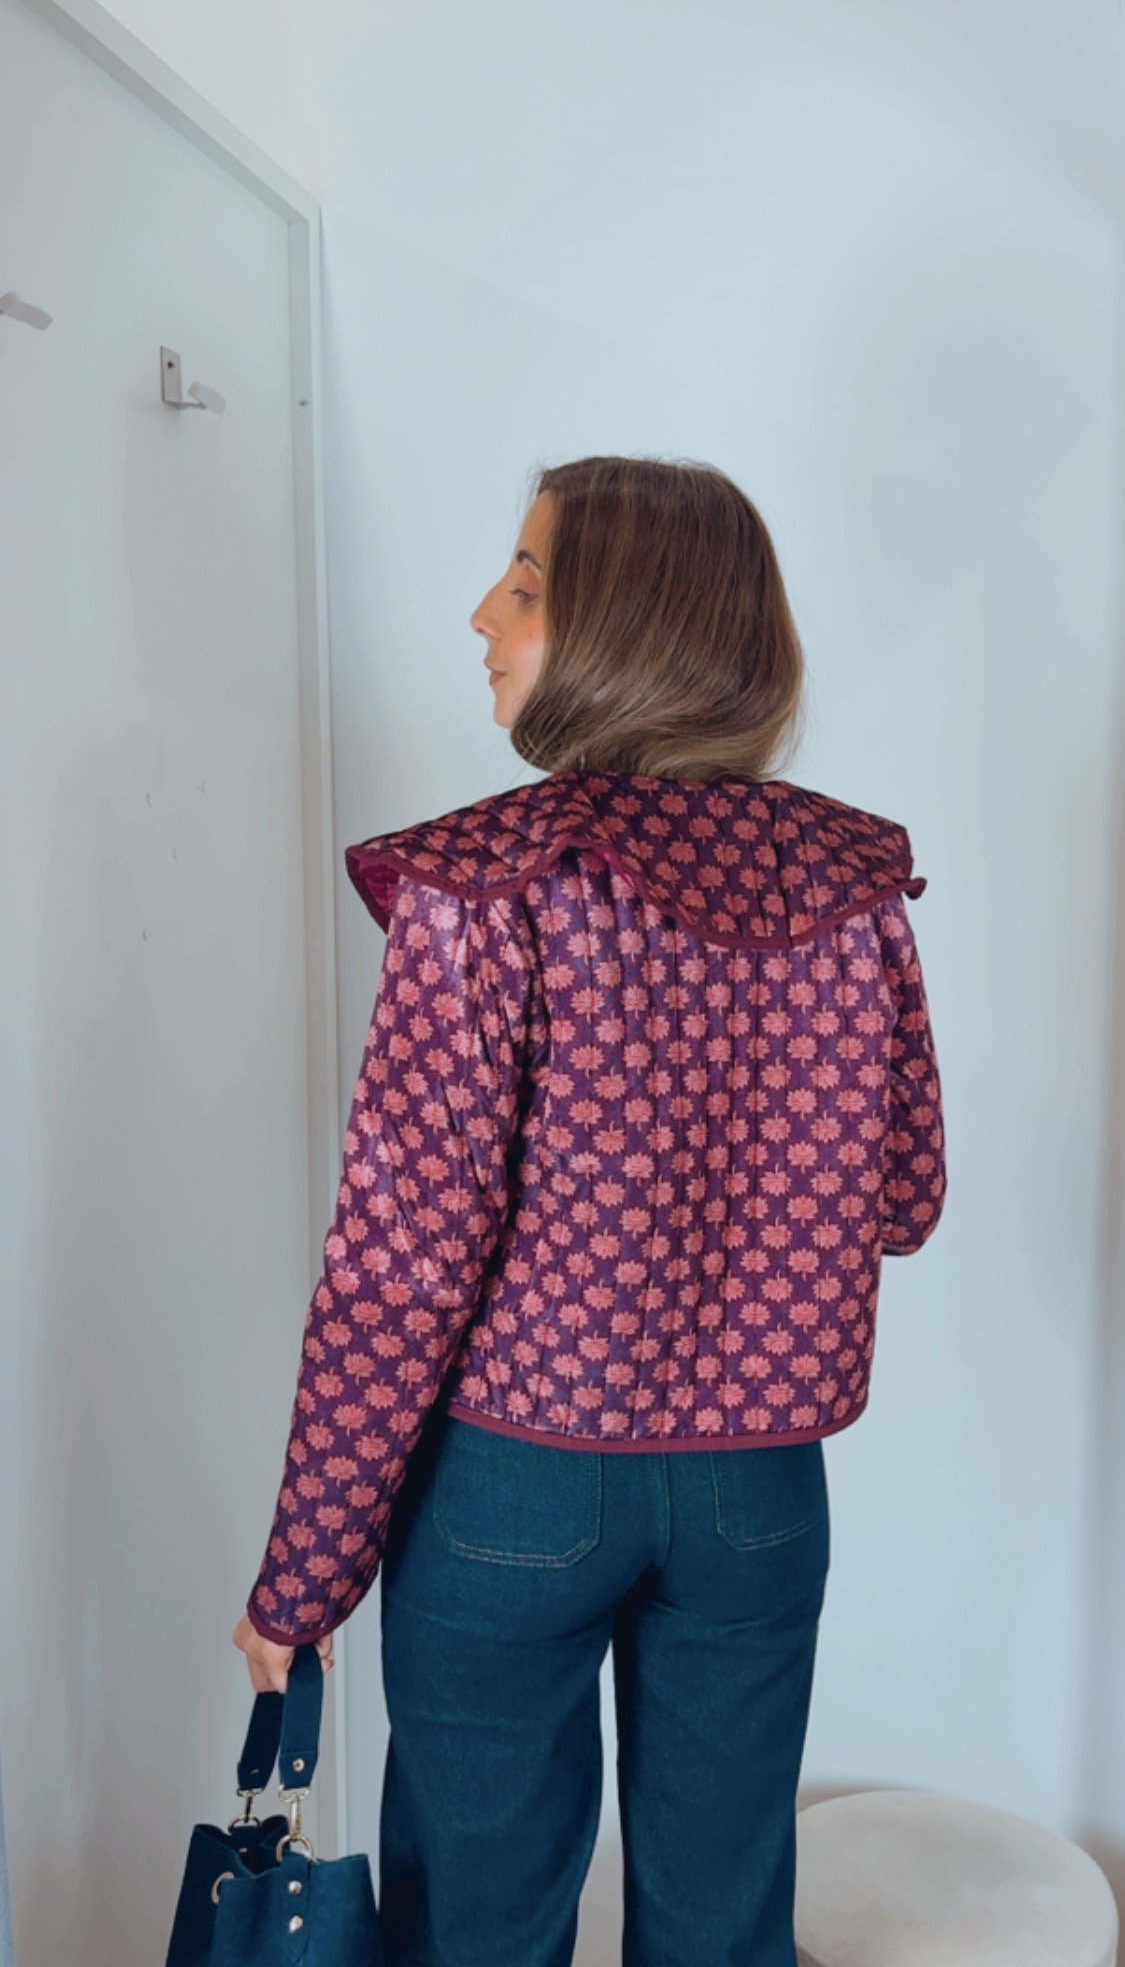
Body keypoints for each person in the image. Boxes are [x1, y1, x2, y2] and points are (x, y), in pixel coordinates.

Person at [233, 456, 945, 1967]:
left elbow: (399, 1273)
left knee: (478, 1930)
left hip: (518, 1482)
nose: (480, 615)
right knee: (722, 1924)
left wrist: (302, 1578)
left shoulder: (488, 888)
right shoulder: (850, 884)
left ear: (630, 624)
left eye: (526, 585)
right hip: (760, 1490)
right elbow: (906, 1198)